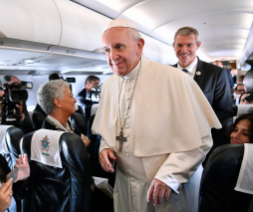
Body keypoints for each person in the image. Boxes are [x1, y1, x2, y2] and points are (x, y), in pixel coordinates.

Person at [92, 18, 221, 211]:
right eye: (107, 50)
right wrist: (105, 147)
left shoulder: (174, 79)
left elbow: (201, 140)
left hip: (165, 188)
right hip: (125, 184)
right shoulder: (109, 85)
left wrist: (169, 176)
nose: (113, 56)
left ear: (139, 45)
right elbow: (111, 129)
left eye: (119, 47)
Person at [38, 79, 113, 212]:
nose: (75, 100)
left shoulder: (67, 125)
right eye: (70, 96)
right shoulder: (51, 135)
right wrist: (81, 148)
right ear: (58, 102)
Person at [172, 27, 232, 123]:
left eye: (189, 45)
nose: (184, 50)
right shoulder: (166, 72)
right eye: (179, 45)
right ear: (173, 46)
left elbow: (225, 111)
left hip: (203, 135)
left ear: (198, 45)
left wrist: (197, 126)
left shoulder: (216, 73)